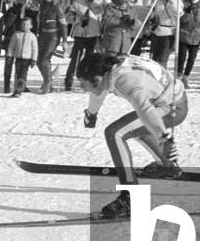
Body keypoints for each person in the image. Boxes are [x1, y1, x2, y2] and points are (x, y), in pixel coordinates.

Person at [77, 53, 186, 219]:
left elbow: (145, 110)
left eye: (83, 84)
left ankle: (132, 199)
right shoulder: (109, 71)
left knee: (115, 133)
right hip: (167, 101)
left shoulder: (125, 80)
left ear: (98, 79)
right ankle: (167, 165)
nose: (82, 88)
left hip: (171, 108)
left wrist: (165, 139)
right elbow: (98, 92)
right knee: (133, 128)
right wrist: (91, 113)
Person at [6, 17, 38, 97]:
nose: (25, 26)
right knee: (17, 73)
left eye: (27, 24)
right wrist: (9, 55)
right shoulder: (16, 35)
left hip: (27, 59)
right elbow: (11, 46)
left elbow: (35, 49)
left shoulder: (32, 36)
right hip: (18, 58)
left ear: (31, 26)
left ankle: (18, 91)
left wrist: (34, 59)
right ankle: (20, 87)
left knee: (23, 74)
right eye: (23, 24)